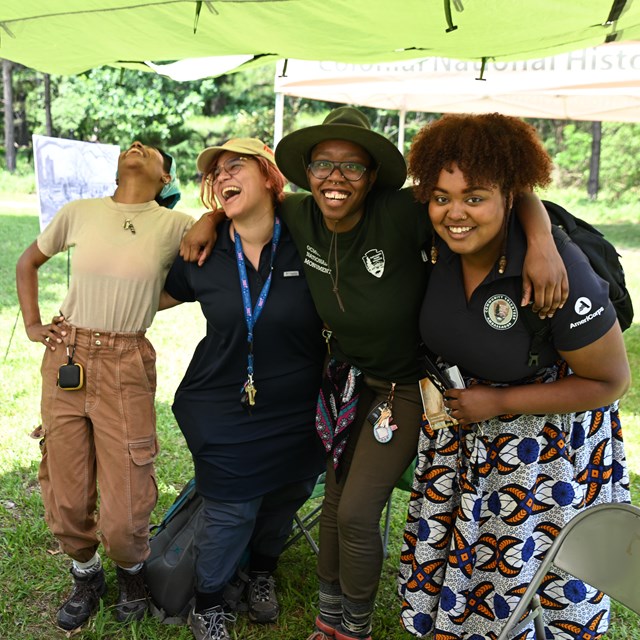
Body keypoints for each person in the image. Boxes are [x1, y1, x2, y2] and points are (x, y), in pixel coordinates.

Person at [179, 106, 568, 640]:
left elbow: (509, 190)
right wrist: (207, 218)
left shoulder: (402, 210)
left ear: (373, 175)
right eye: (322, 164)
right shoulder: (302, 212)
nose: (335, 178)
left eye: (352, 167)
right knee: (337, 504)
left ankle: (354, 626)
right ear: (307, 172)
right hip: (346, 381)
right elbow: (246, 204)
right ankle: (329, 618)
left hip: (407, 387)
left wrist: (542, 241)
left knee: (357, 515)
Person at [397, 113, 631, 640]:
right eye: (441, 197)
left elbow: (611, 382)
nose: (454, 212)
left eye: (474, 197)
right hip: (462, 441)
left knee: (529, 581)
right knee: (469, 579)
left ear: (506, 197)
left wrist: (501, 404)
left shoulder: (554, 271)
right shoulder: (436, 245)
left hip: (538, 459)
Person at [15, 141, 193, 630]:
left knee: (127, 497)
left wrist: (143, 303)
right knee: (67, 490)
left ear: (164, 179)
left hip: (125, 364)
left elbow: (201, 275)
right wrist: (32, 325)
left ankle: (131, 569)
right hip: (66, 357)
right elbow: (27, 262)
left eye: (152, 150)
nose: (137, 147)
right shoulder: (80, 212)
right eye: (131, 145)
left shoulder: (175, 225)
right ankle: (86, 572)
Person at [159, 138, 326, 640]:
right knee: (231, 506)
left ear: (271, 178)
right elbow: (148, 298)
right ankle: (209, 602)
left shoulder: (311, 242)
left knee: (284, 496)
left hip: (300, 407)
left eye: (236, 165)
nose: (222, 176)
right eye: (215, 173)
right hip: (220, 403)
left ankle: (261, 574)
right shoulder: (203, 250)